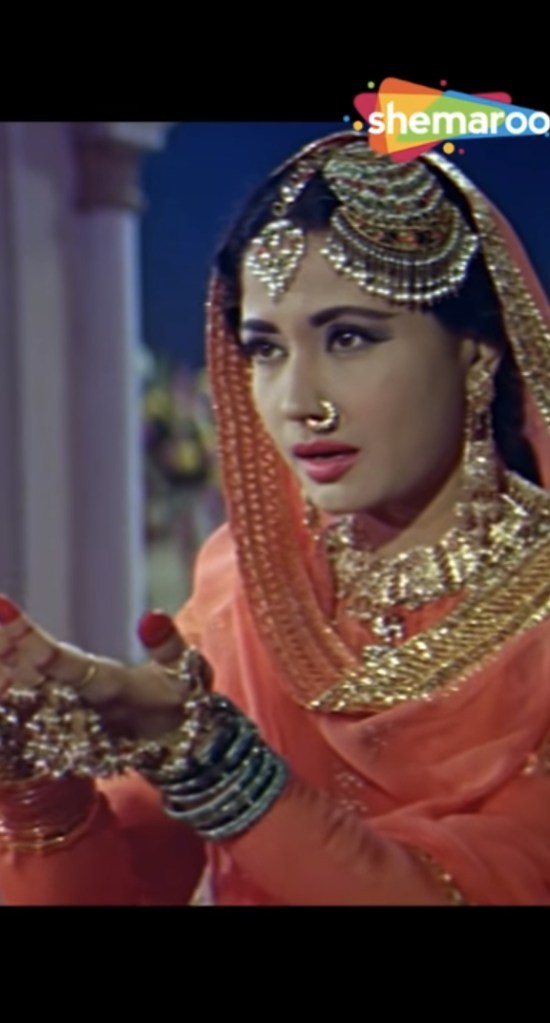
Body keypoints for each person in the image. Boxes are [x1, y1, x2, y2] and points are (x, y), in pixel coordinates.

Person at [1, 131, 550, 906]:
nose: (298, 402)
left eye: (349, 337)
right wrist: (35, 778)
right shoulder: (252, 580)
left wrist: (213, 761)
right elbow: (119, 883)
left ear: (476, 350)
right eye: (265, 349)